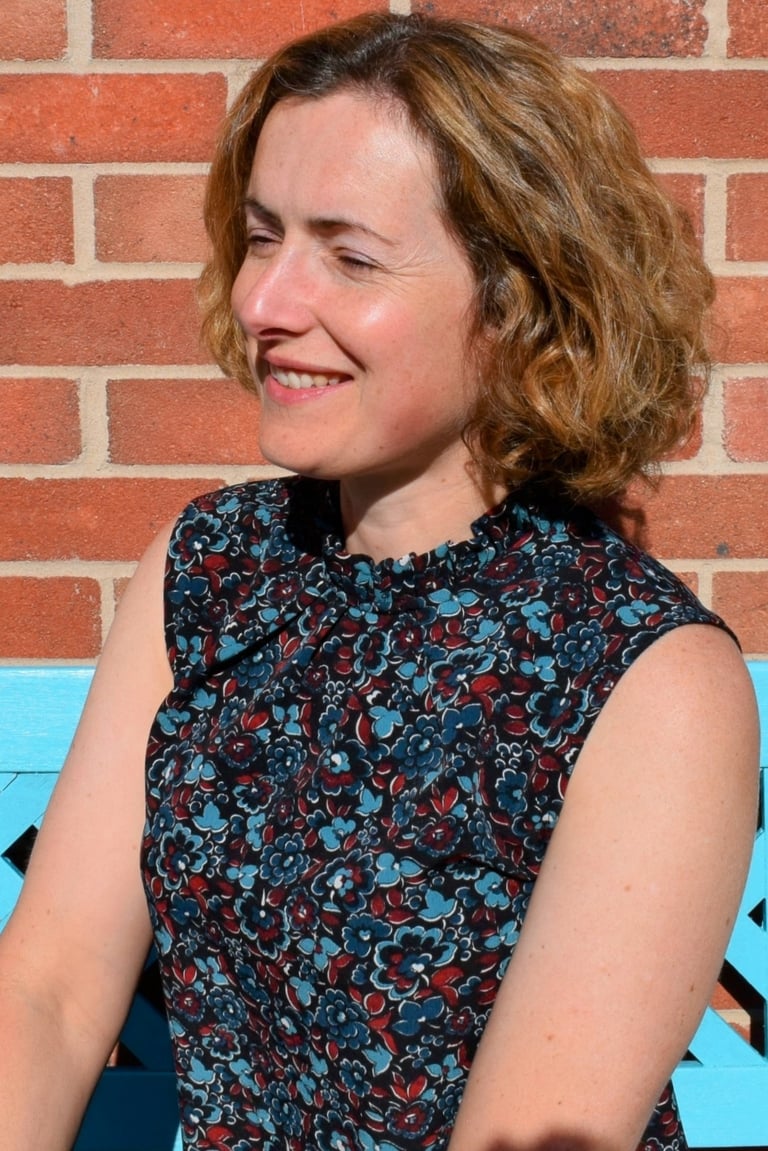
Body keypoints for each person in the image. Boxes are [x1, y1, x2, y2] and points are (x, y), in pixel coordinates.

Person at [0, 12, 759, 1151]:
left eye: (349, 257)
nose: (265, 303)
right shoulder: (212, 570)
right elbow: (49, 990)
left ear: (520, 305)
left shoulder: (645, 679)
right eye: (263, 237)